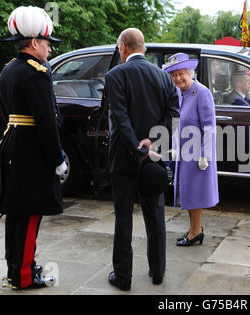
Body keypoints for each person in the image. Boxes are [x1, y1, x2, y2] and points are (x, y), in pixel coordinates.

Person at [0, 6, 67, 290]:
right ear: (35, 42)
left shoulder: (8, 70)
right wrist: (57, 159)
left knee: (15, 213)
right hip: (30, 151)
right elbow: (47, 123)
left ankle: (16, 268)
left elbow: (7, 113)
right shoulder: (37, 73)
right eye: (48, 43)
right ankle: (23, 275)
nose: (49, 49)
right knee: (29, 214)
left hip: (12, 144)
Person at [105, 28, 179, 290]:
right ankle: (157, 272)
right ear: (143, 48)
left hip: (125, 158)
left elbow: (120, 118)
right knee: (155, 215)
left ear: (123, 47)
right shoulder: (163, 77)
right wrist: (152, 142)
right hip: (154, 158)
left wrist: (138, 149)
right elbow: (173, 116)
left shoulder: (115, 75)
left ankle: (123, 277)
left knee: (123, 217)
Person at [163, 53, 219, 246]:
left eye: (181, 74)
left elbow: (209, 127)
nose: (177, 78)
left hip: (197, 155)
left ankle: (195, 231)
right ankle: (194, 229)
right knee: (187, 193)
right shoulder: (180, 92)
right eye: (173, 75)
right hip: (184, 152)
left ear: (189, 73)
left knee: (195, 195)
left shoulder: (201, 92)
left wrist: (205, 155)